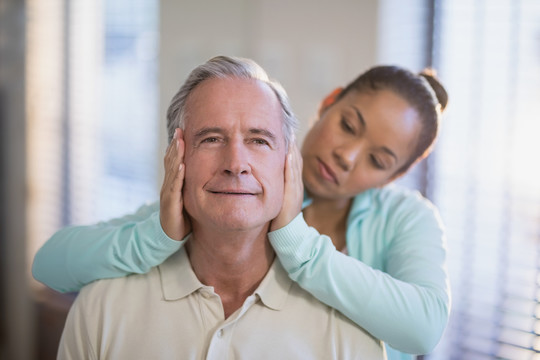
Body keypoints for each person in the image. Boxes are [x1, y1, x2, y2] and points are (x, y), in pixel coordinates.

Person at [34, 58, 450, 359]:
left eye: (377, 160)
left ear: (396, 175)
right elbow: (50, 265)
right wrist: (156, 236)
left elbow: (423, 329)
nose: (346, 155)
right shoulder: (219, 195)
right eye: (348, 125)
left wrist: (295, 240)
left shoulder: (406, 220)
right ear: (330, 102)